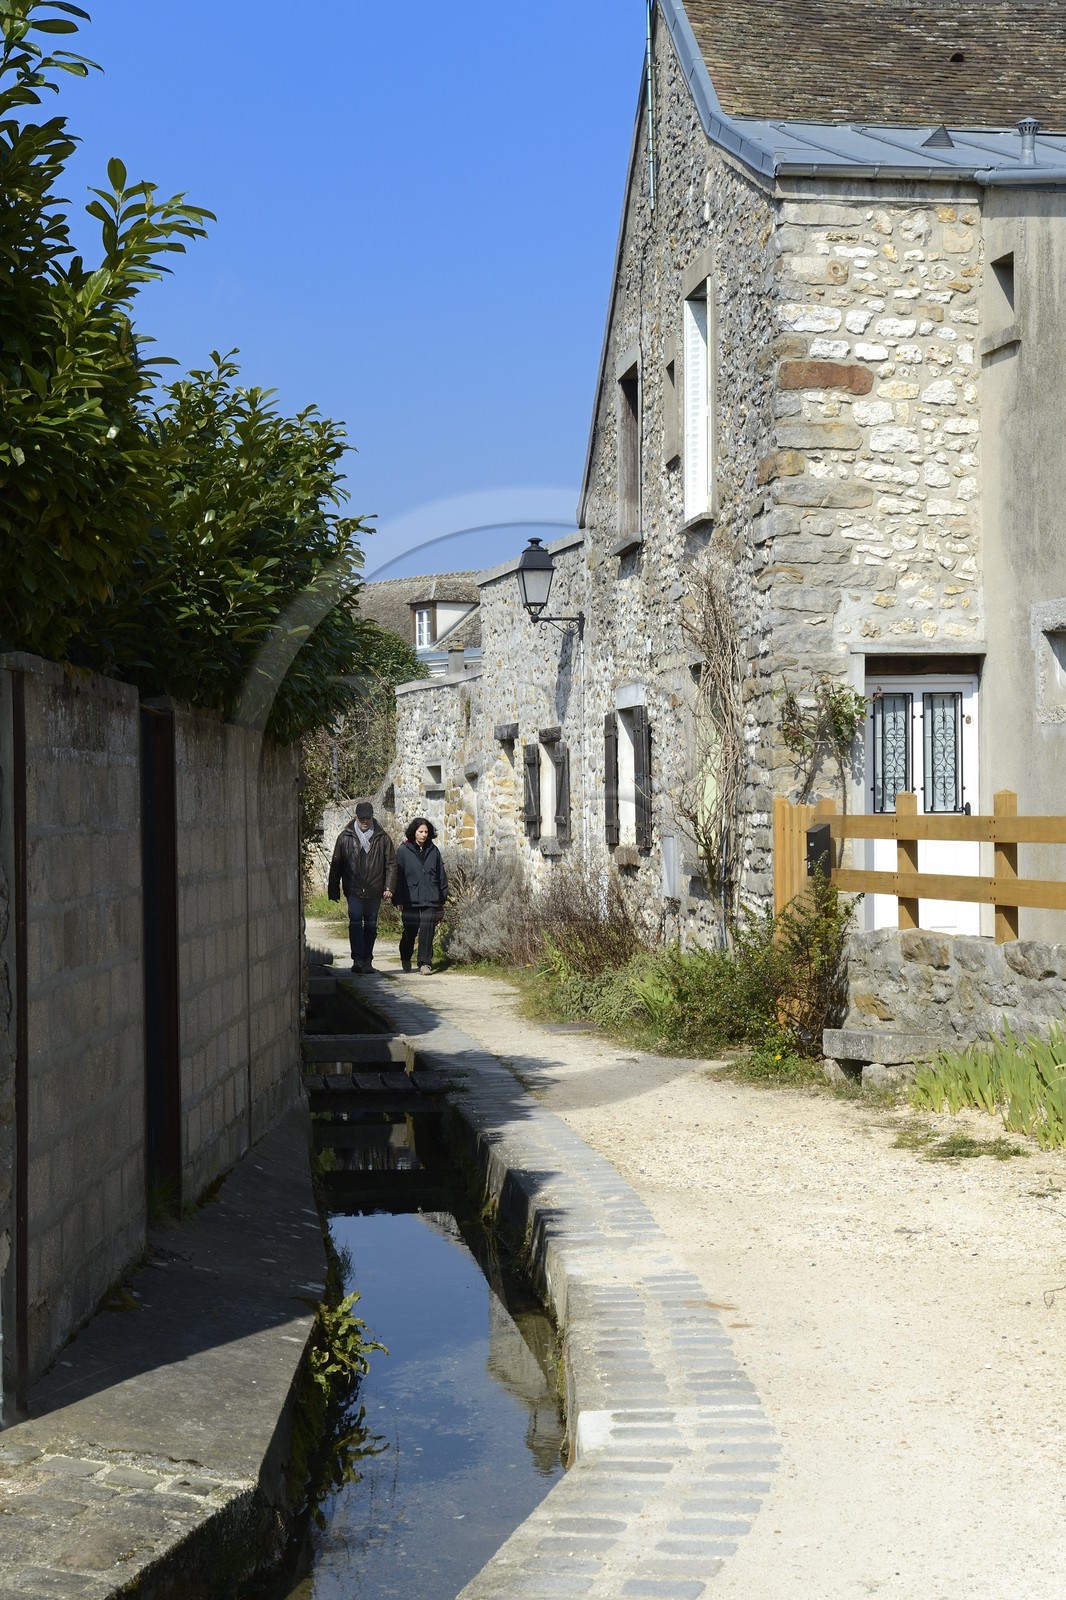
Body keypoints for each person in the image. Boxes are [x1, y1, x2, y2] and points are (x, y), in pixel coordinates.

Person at [327, 800, 396, 973]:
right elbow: (337, 864)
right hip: (354, 889)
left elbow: (391, 864)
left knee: (371, 925)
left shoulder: (383, 838)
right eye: (363, 818)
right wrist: (333, 889)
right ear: (356, 817)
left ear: (372, 817)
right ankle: (357, 959)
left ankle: (368, 960)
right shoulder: (345, 837)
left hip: (374, 888)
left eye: (369, 818)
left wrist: (389, 886)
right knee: (356, 922)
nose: (366, 821)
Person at [390, 817, 448, 975]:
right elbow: (397, 876)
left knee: (427, 930)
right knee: (410, 930)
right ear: (414, 832)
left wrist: (442, 898)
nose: (423, 835)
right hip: (410, 897)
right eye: (420, 831)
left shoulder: (433, 850)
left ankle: (425, 963)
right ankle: (406, 956)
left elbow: (441, 874)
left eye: (426, 832)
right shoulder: (403, 850)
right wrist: (398, 899)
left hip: (430, 896)